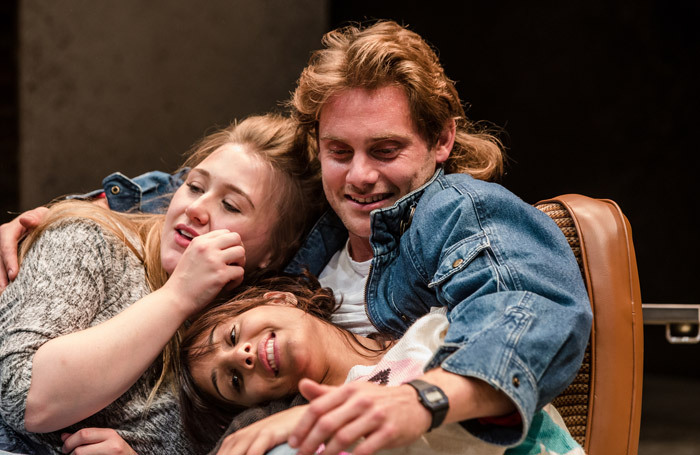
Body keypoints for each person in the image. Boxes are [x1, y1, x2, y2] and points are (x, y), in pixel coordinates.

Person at [0, 20, 592, 455]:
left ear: (440, 141)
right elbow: (212, 187)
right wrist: (69, 211)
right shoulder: (316, 228)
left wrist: (415, 399)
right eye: (340, 151)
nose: (360, 176)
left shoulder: (455, 210)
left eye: (386, 150)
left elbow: (530, 307)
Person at [0, 114, 321, 454]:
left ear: (273, 252)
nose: (196, 208)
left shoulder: (255, 346)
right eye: (195, 186)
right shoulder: (89, 239)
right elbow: (23, 398)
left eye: (230, 205)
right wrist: (178, 294)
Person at [178, 275, 584, 455]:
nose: (241, 356)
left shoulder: (435, 329)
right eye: (232, 380)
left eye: (231, 337)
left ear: (276, 300)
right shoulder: (300, 434)